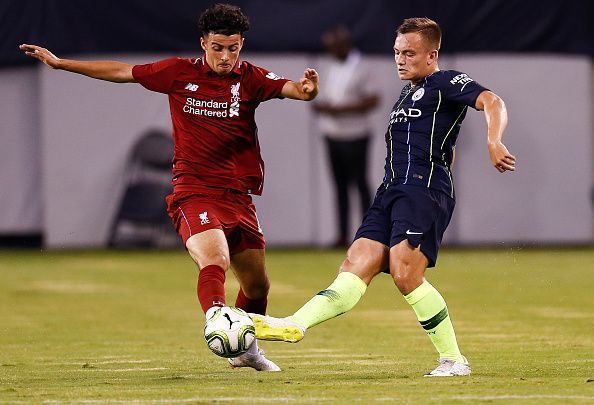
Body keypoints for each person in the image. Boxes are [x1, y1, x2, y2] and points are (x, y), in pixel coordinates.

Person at [20, 3, 319, 372]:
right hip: (193, 190)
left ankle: (246, 350)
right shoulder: (178, 72)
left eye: (233, 48)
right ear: (203, 44)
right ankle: (216, 319)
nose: (225, 56)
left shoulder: (251, 78)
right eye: (218, 48)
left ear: (241, 45)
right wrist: (62, 63)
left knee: (258, 287)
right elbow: (122, 71)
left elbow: (293, 89)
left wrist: (307, 91)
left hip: (238, 195)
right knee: (215, 260)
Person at [251, 17, 516, 377]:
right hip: (390, 191)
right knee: (355, 264)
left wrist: (493, 139)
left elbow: (492, 101)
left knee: (405, 273)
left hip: (422, 190)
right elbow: (437, 140)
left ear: (431, 54)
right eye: (396, 53)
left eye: (409, 53)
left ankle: (454, 360)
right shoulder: (408, 93)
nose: (400, 60)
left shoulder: (446, 81)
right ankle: (295, 325)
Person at [313, 26, 379, 247]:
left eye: (334, 47)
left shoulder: (362, 66)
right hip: (333, 134)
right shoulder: (331, 66)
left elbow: (372, 100)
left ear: (345, 45)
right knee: (339, 187)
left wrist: (339, 110)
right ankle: (342, 235)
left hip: (356, 134)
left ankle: (368, 234)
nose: (331, 51)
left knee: (360, 184)